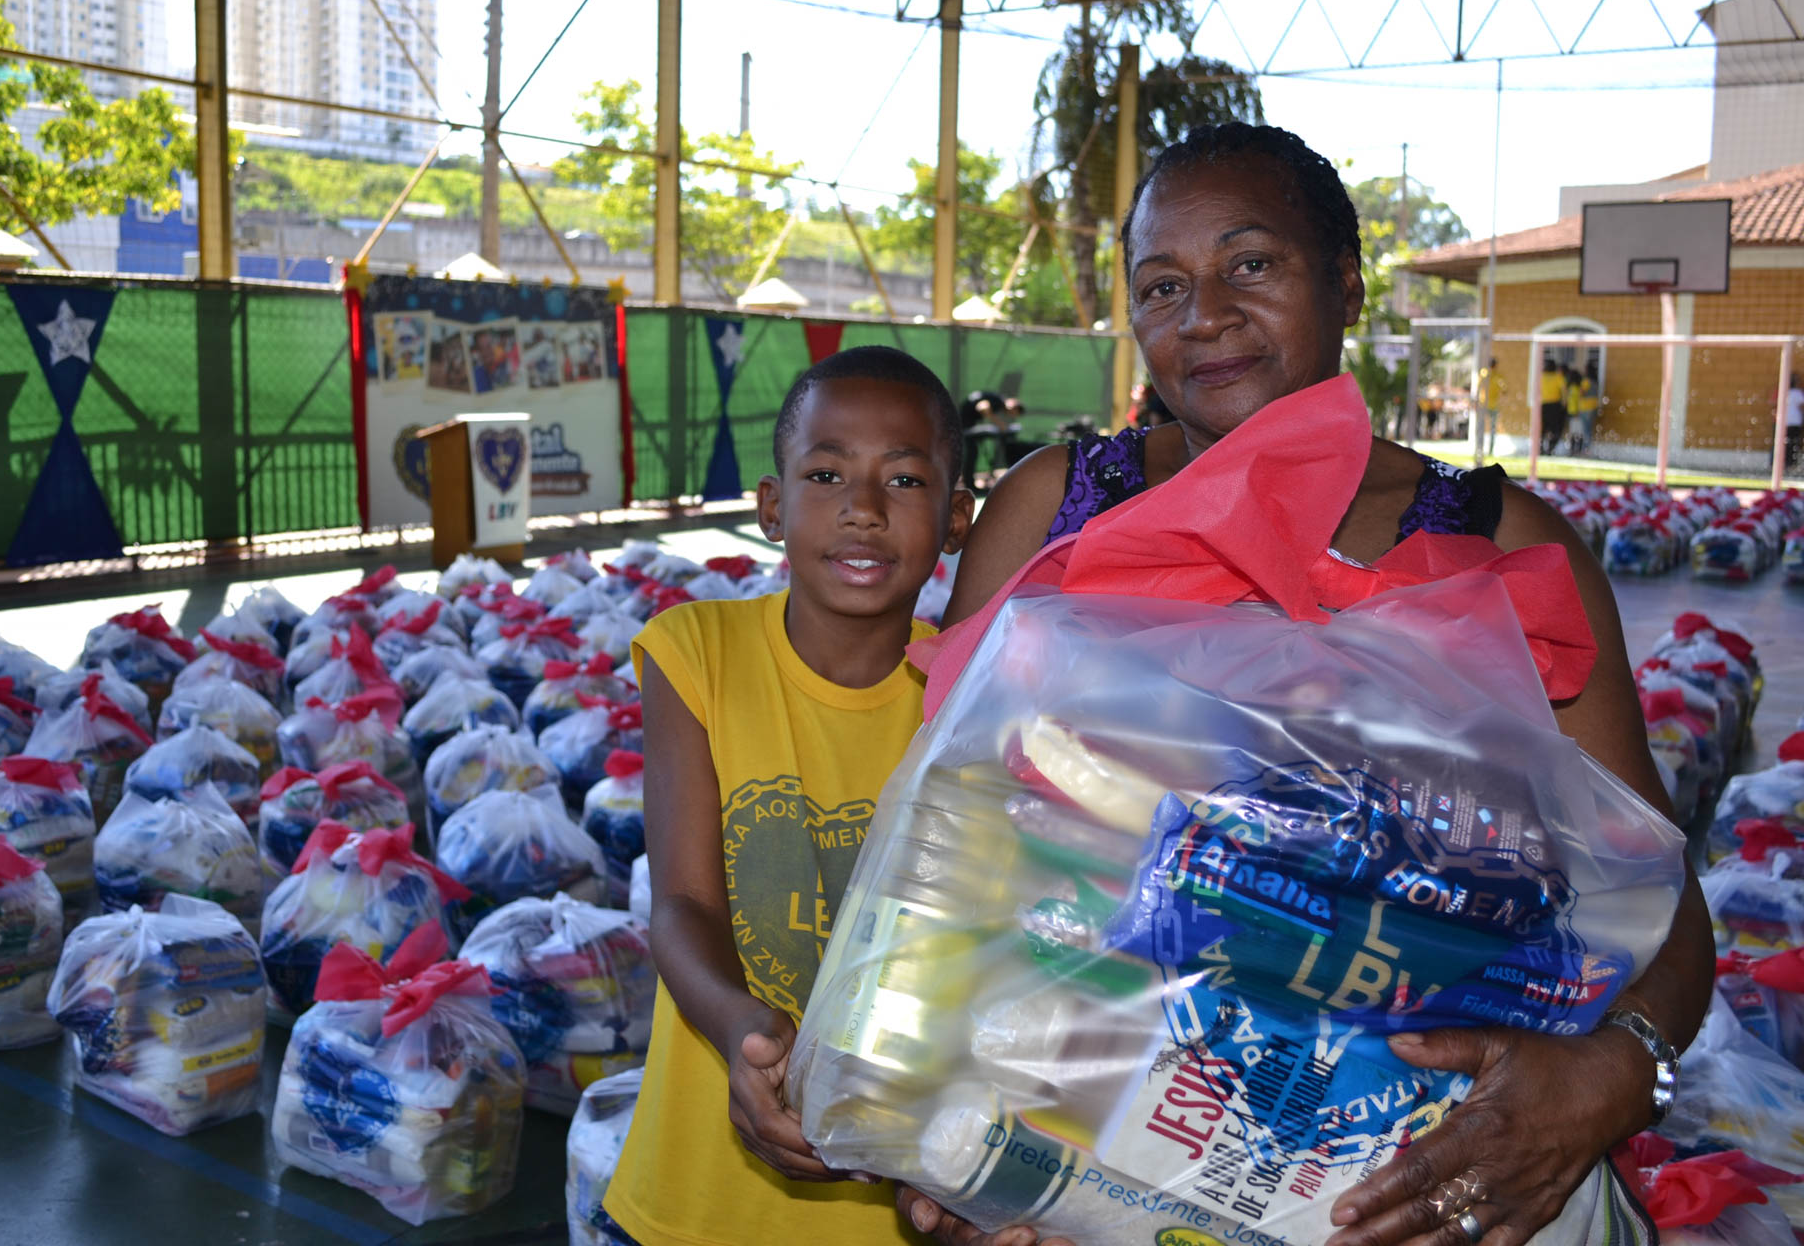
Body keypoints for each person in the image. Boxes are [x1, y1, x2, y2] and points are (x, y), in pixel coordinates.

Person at [908, 122, 1713, 1246]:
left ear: (1345, 279)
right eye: (1161, 285)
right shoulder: (1055, 510)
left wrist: (1613, 1076)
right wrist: (939, 1127)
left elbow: (1661, 901)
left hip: (1430, 1178)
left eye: (1251, 264)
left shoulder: (1499, 544)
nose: (1204, 315)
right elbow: (941, 861)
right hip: (1111, 1156)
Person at [602, 344, 972, 1246]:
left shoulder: (971, 705)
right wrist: (742, 1031)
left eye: (907, 481)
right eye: (825, 472)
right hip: (693, 1208)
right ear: (773, 507)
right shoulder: (697, 653)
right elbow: (683, 901)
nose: (864, 508)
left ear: (959, 519)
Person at [1474, 355, 1505, 456]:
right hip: (1491, 405)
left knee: (1481, 429)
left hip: (1485, 405)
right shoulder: (1495, 375)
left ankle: (1480, 450)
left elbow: (1477, 388)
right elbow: (1504, 390)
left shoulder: (1485, 374)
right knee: (1489, 429)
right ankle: (1486, 450)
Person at [1539, 356, 1567, 454]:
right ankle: (1550, 448)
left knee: (1543, 428)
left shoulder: (1541, 376)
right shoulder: (1558, 376)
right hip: (1554, 405)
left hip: (1543, 405)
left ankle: (1541, 448)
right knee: (1555, 428)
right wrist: (1564, 402)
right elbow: (1564, 390)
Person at [1571, 368, 1601, 457]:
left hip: (1586, 408)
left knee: (1585, 430)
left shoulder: (1586, 381)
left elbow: (1581, 392)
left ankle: (1585, 449)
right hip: (1594, 407)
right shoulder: (1596, 382)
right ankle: (1588, 448)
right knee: (1589, 429)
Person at [1786, 369, 1803, 473]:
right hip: (1795, 421)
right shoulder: (1797, 393)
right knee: (1794, 443)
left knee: (1787, 443)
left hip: (1785, 421)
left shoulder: (1785, 392)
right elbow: (1802, 406)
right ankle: (1792, 465)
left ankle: (1786, 464)